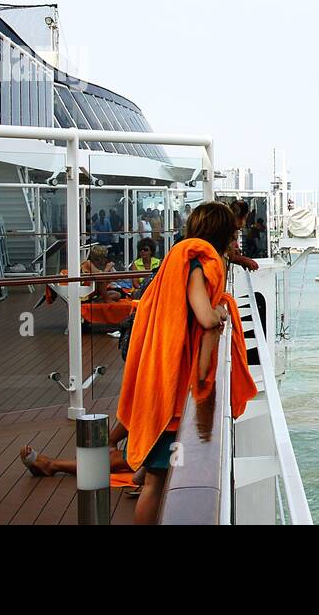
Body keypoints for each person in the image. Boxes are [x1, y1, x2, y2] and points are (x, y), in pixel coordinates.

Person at [117, 201, 258, 524]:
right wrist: (220, 310)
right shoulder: (196, 264)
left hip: (160, 377)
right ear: (221, 233)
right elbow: (204, 316)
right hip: (172, 390)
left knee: (155, 479)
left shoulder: (182, 258)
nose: (236, 237)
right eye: (233, 232)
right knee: (156, 483)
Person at [227, 200, 260, 271]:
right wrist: (243, 260)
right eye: (245, 218)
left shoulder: (233, 230)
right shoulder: (227, 231)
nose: (244, 223)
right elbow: (225, 254)